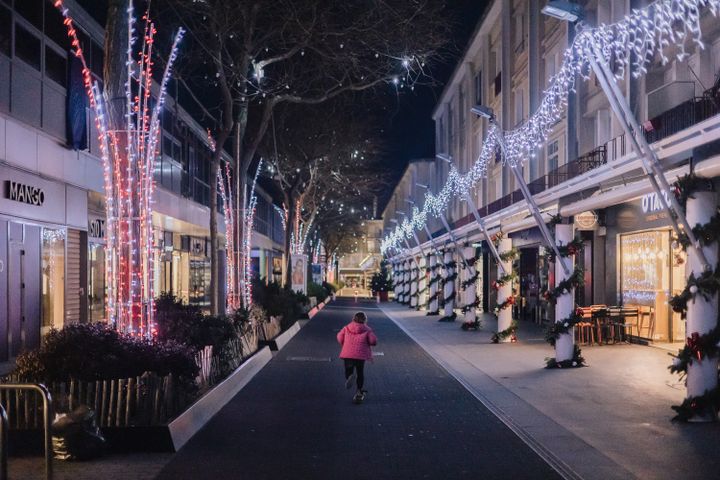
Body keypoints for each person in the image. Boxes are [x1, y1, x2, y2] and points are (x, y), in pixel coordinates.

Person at [337, 311, 377, 403]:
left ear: (353, 319)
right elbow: (373, 341)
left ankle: (349, 377)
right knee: (360, 372)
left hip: (348, 354)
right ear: (365, 320)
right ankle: (359, 390)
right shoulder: (367, 329)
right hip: (360, 355)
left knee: (348, 369)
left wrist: (344, 344)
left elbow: (339, 337)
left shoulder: (346, 328)